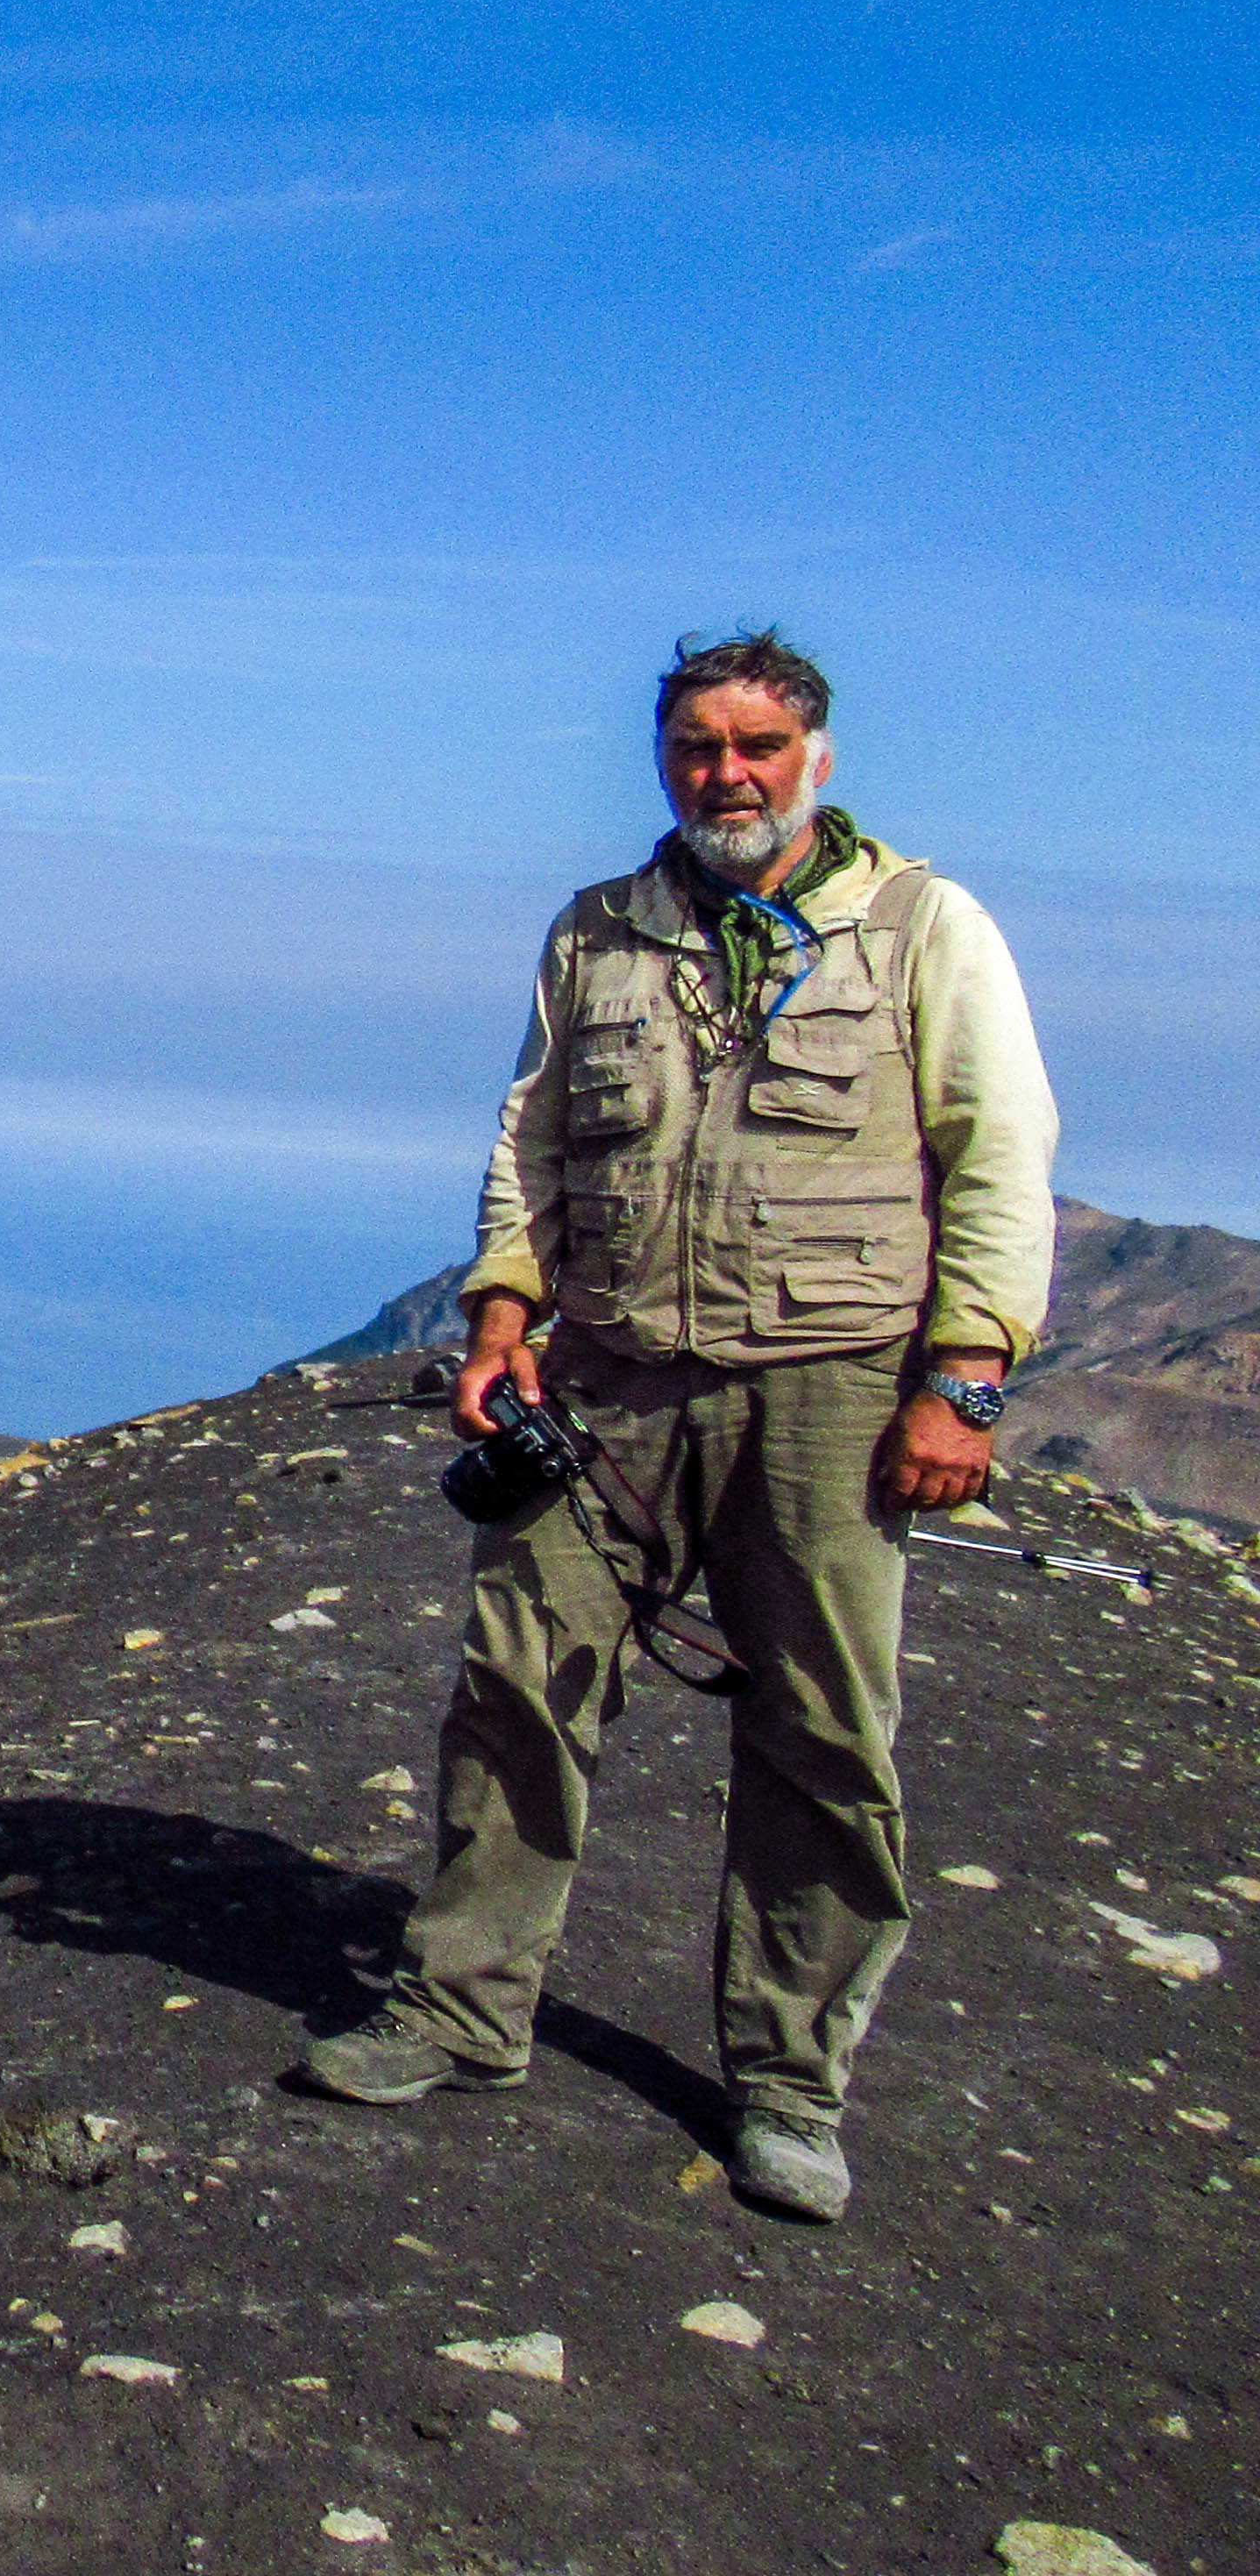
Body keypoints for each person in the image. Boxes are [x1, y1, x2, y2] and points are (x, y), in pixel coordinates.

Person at [297, 630, 1057, 2224]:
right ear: (667, 761)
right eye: (699, 747)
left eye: (757, 745)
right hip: (614, 1379)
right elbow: (531, 1139)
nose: (727, 772)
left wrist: (966, 1377)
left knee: (823, 1732)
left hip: (832, 1390)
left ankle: (788, 2082)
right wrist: (503, 1313)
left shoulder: (921, 926)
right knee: (517, 1687)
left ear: (816, 757)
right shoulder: (600, 934)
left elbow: (998, 1152)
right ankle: (461, 2010)